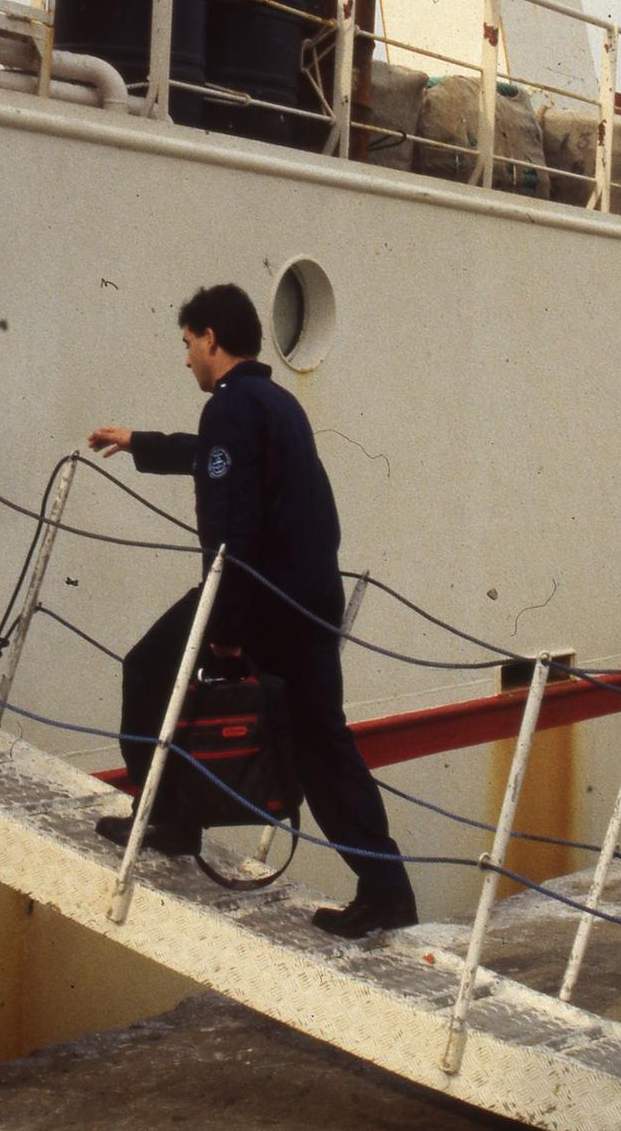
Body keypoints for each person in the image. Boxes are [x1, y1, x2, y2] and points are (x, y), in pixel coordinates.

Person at [87, 283, 418, 939]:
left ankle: (170, 817)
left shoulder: (231, 411)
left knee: (148, 669)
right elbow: (218, 460)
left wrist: (229, 637)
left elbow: (228, 525)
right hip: (309, 599)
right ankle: (387, 889)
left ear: (212, 338)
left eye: (187, 344)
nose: (185, 359)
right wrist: (140, 442)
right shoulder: (272, 403)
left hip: (259, 601)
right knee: (325, 746)